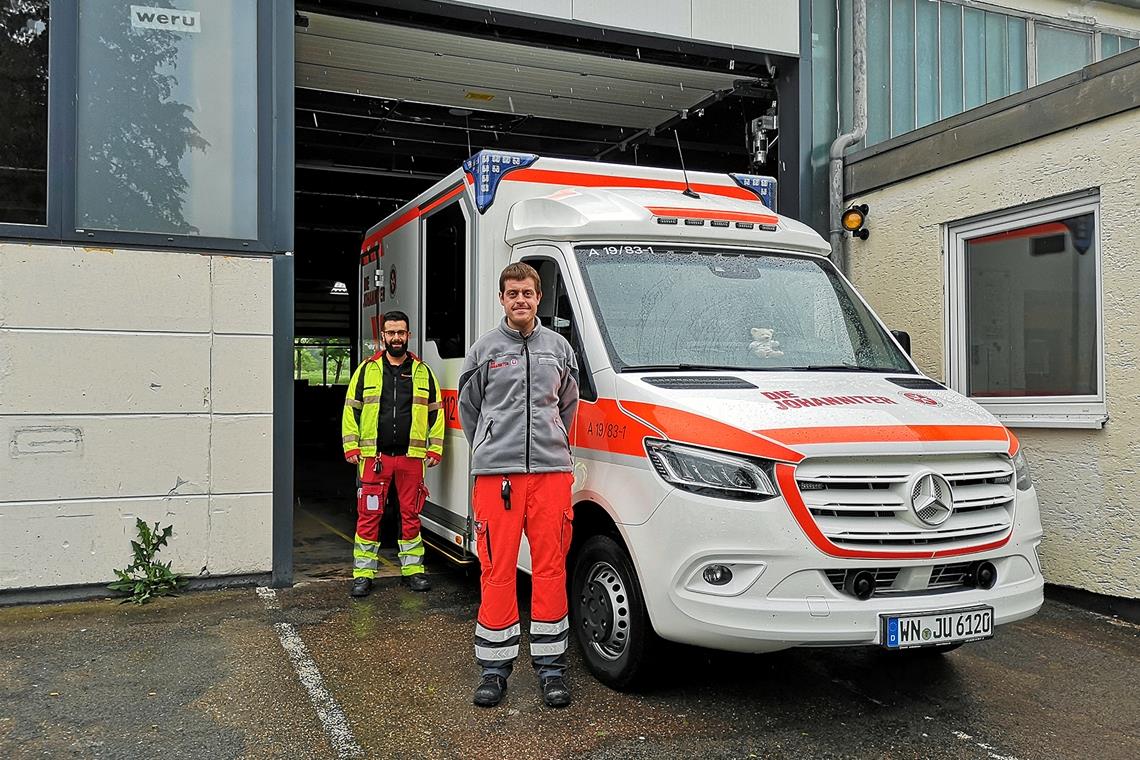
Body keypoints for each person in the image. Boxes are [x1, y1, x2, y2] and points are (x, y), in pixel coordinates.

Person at [458, 262, 580, 709]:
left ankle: (552, 670)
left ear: (538, 296)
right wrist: (492, 447)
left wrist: (553, 445)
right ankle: (494, 670)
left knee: (550, 570)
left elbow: (569, 405)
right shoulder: (484, 350)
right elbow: (470, 409)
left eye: (528, 293)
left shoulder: (559, 349)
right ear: (502, 299)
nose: (521, 300)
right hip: (498, 477)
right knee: (496, 569)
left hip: (550, 475)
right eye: (513, 294)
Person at [341, 310, 444, 596]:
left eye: (401, 332)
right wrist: (351, 446)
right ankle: (363, 574)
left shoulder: (423, 372)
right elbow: (351, 410)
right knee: (369, 515)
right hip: (375, 458)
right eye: (391, 333)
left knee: (411, 514)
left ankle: (413, 571)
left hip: (412, 459)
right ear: (383, 336)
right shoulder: (366, 370)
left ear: (408, 335)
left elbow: (437, 414)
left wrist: (434, 448)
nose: (396, 338)